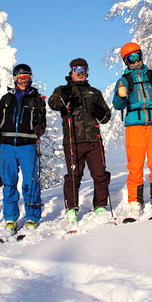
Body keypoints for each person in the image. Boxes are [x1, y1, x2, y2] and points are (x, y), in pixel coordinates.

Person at [49, 58, 112, 225]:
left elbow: (106, 116)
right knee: (74, 176)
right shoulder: (62, 89)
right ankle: (71, 208)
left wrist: (100, 111)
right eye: (77, 70)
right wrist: (64, 97)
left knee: (99, 174)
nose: (81, 73)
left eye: (84, 69)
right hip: (72, 140)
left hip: (93, 140)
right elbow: (53, 103)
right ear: (71, 71)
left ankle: (100, 205)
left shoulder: (94, 92)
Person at [112, 42, 152, 216]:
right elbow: (118, 106)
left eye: (137, 56)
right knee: (135, 165)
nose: (135, 61)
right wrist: (120, 95)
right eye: (130, 58)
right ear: (125, 61)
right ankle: (134, 201)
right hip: (134, 127)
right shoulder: (123, 81)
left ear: (141, 56)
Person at [0, 64, 47, 230]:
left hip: (27, 145)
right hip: (7, 145)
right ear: (15, 78)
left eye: (27, 77)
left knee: (30, 182)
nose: (24, 80)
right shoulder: (6, 98)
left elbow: (42, 121)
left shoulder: (36, 98)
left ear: (31, 78)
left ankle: (32, 216)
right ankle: (10, 217)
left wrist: (40, 128)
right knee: (9, 182)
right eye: (20, 77)